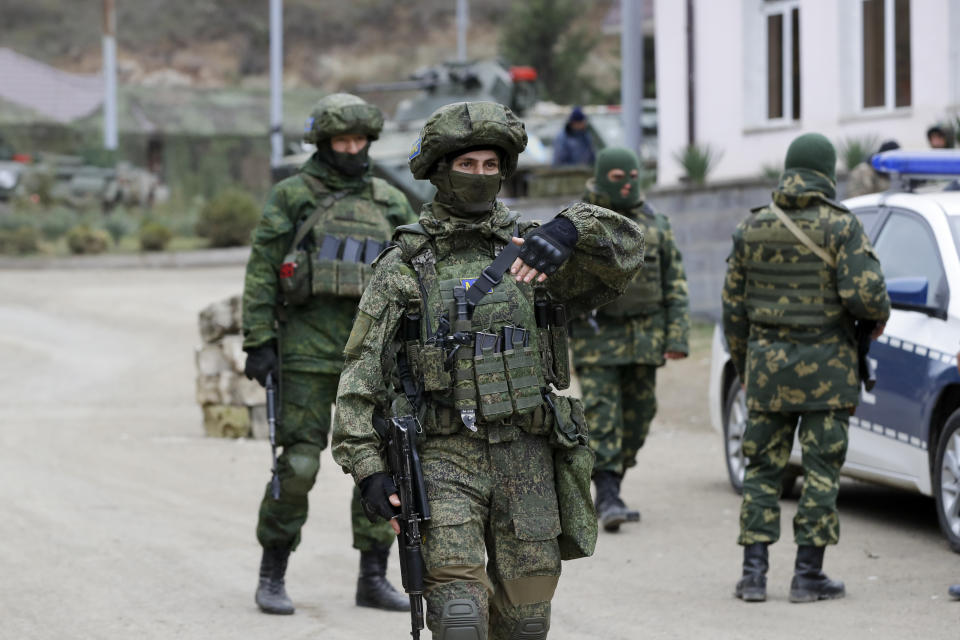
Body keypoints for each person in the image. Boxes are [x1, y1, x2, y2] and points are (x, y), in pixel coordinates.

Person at [332, 101, 644, 639]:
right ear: (438, 170)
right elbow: (361, 376)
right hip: (443, 457)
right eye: (466, 164)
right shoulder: (405, 266)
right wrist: (368, 469)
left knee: (525, 625)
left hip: (528, 456)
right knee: (458, 619)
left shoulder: (534, 251)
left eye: (490, 165)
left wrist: (573, 227)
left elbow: (629, 251)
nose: (480, 176)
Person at [241, 93, 417, 615]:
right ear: (322, 143)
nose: (351, 148)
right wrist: (258, 340)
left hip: (373, 355)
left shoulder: (389, 200)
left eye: (359, 140)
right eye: (341, 140)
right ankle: (272, 572)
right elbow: (261, 268)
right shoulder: (292, 195)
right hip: (306, 350)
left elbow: (417, 269)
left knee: (382, 464)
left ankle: (373, 575)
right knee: (296, 464)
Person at [721, 133, 890, 604]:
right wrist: (873, 322)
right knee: (821, 473)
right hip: (829, 373)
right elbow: (867, 297)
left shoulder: (751, 227)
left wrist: (747, 362)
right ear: (827, 172)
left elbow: (732, 309)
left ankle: (753, 575)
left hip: (767, 372)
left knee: (761, 471)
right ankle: (807, 576)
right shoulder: (841, 227)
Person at [570, 146, 689, 532]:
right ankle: (607, 495)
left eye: (633, 177)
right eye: (618, 179)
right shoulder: (580, 221)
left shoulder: (658, 224)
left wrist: (678, 336)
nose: (627, 186)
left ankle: (612, 486)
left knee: (639, 419)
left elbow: (675, 284)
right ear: (603, 177)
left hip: (645, 337)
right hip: (598, 337)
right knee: (604, 418)